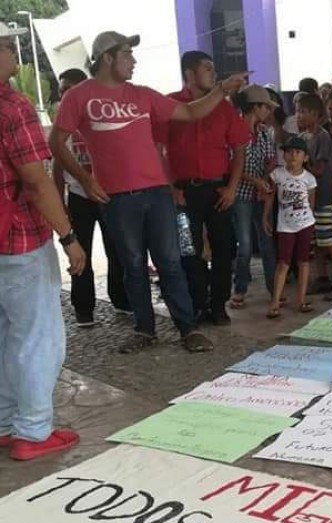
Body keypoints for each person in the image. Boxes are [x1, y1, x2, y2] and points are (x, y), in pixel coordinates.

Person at [50, 31, 246, 353]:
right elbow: (56, 142)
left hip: (156, 193)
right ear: (108, 58)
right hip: (116, 197)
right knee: (133, 264)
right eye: (127, 54)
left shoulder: (143, 95)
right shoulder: (79, 96)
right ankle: (145, 330)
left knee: (170, 261)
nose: (134, 60)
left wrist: (223, 89)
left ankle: (187, 328)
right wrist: (85, 180)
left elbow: (192, 111)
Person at [1, 22, 87, 460]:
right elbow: (36, 181)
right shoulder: (12, 105)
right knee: (36, 334)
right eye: (5, 46)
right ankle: (32, 431)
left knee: (3, 332)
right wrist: (69, 237)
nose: (13, 54)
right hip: (17, 237)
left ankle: (5, 420)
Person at [162, 51, 250, 326]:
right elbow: (157, 150)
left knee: (224, 249)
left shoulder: (223, 108)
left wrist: (232, 187)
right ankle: (197, 303)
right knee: (189, 249)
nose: (214, 74)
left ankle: (219, 304)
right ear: (190, 74)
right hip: (183, 193)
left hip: (218, 191)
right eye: (208, 69)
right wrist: (171, 188)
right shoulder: (170, 105)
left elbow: (239, 149)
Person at [52, 68, 130, 327]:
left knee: (117, 250)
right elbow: (57, 163)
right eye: (62, 89)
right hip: (77, 196)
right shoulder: (62, 123)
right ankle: (83, 308)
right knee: (79, 251)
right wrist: (59, 200)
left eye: (70, 88)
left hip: (108, 195)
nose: (65, 94)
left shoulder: (101, 115)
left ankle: (121, 299)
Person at [297, 93, 332, 300]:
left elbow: (319, 169)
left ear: (315, 114)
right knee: (315, 241)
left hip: (324, 196)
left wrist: (301, 163)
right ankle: (322, 278)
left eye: (304, 112)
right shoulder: (304, 137)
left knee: (328, 239)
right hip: (309, 197)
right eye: (298, 111)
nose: (299, 115)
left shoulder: (322, 136)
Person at [229, 85, 279, 310]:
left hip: (261, 194)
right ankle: (239, 288)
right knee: (245, 244)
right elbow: (231, 167)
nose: (269, 111)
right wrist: (256, 181)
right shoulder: (235, 130)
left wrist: (266, 178)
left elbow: (271, 160)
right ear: (256, 107)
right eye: (266, 106)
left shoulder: (264, 132)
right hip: (241, 193)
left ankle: (273, 288)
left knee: (267, 242)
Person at [263, 136, 317, 318]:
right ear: (284, 155)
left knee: (303, 261)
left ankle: (301, 300)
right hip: (285, 226)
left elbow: (311, 203)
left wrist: (311, 223)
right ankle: (275, 302)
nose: (293, 155)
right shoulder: (277, 175)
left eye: (298, 152)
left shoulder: (309, 179)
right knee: (283, 263)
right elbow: (270, 197)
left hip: (305, 224)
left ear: (305, 157)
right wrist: (266, 217)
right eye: (289, 152)